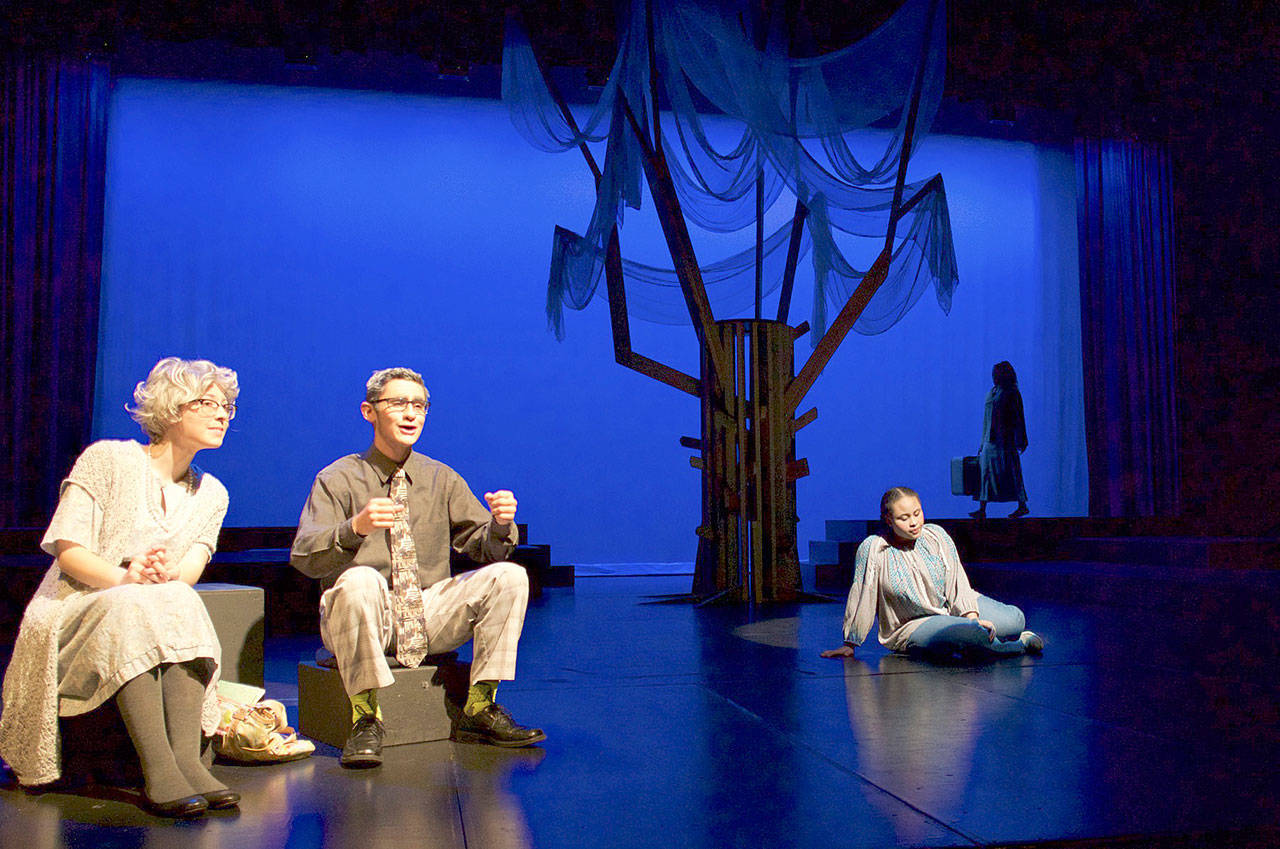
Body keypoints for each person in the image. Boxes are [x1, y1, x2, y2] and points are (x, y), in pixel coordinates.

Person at [0, 357, 240, 818]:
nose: (222, 414)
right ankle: (160, 767)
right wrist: (126, 577)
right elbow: (68, 550)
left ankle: (188, 760)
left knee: (178, 596)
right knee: (134, 603)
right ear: (172, 409)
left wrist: (164, 572)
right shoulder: (109, 459)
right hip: (75, 605)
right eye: (207, 403)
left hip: (148, 601)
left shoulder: (213, 493)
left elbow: (191, 568)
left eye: (227, 405)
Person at [290, 367, 543, 768]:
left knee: (510, 575)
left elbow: (484, 548)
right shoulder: (337, 478)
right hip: (364, 614)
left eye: (419, 405)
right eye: (397, 403)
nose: (410, 414)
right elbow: (304, 555)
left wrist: (499, 525)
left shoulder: (439, 477)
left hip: (426, 613)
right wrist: (354, 528)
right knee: (358, 579)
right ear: (368, 412)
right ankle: (366, 719)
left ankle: (479, 708)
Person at [822, 486, 1043, 662]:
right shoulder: (874, 549)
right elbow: (863, 594)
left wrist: (972, 617)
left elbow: (957, 582)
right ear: (888, 520)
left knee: (1015, 620)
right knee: (972, 635)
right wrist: (849, 643)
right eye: (904, 517)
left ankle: (972, 634)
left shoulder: (936, 535)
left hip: (950, 608)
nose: (914, 522)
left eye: (917, 513)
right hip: (913, 625)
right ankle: (1017, 645)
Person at [971, 361, 1029, 519]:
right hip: (990, 440)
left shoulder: (1011, 392)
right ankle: (982, 509)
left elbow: (1019, 417)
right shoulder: (992, 392)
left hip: (1006, 440)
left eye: (996, 373)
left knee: (1012, 470)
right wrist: (982, 442)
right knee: (985, 473)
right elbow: (986, 419)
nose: (993, 376)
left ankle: (1022, 505)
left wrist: (1021, 438)